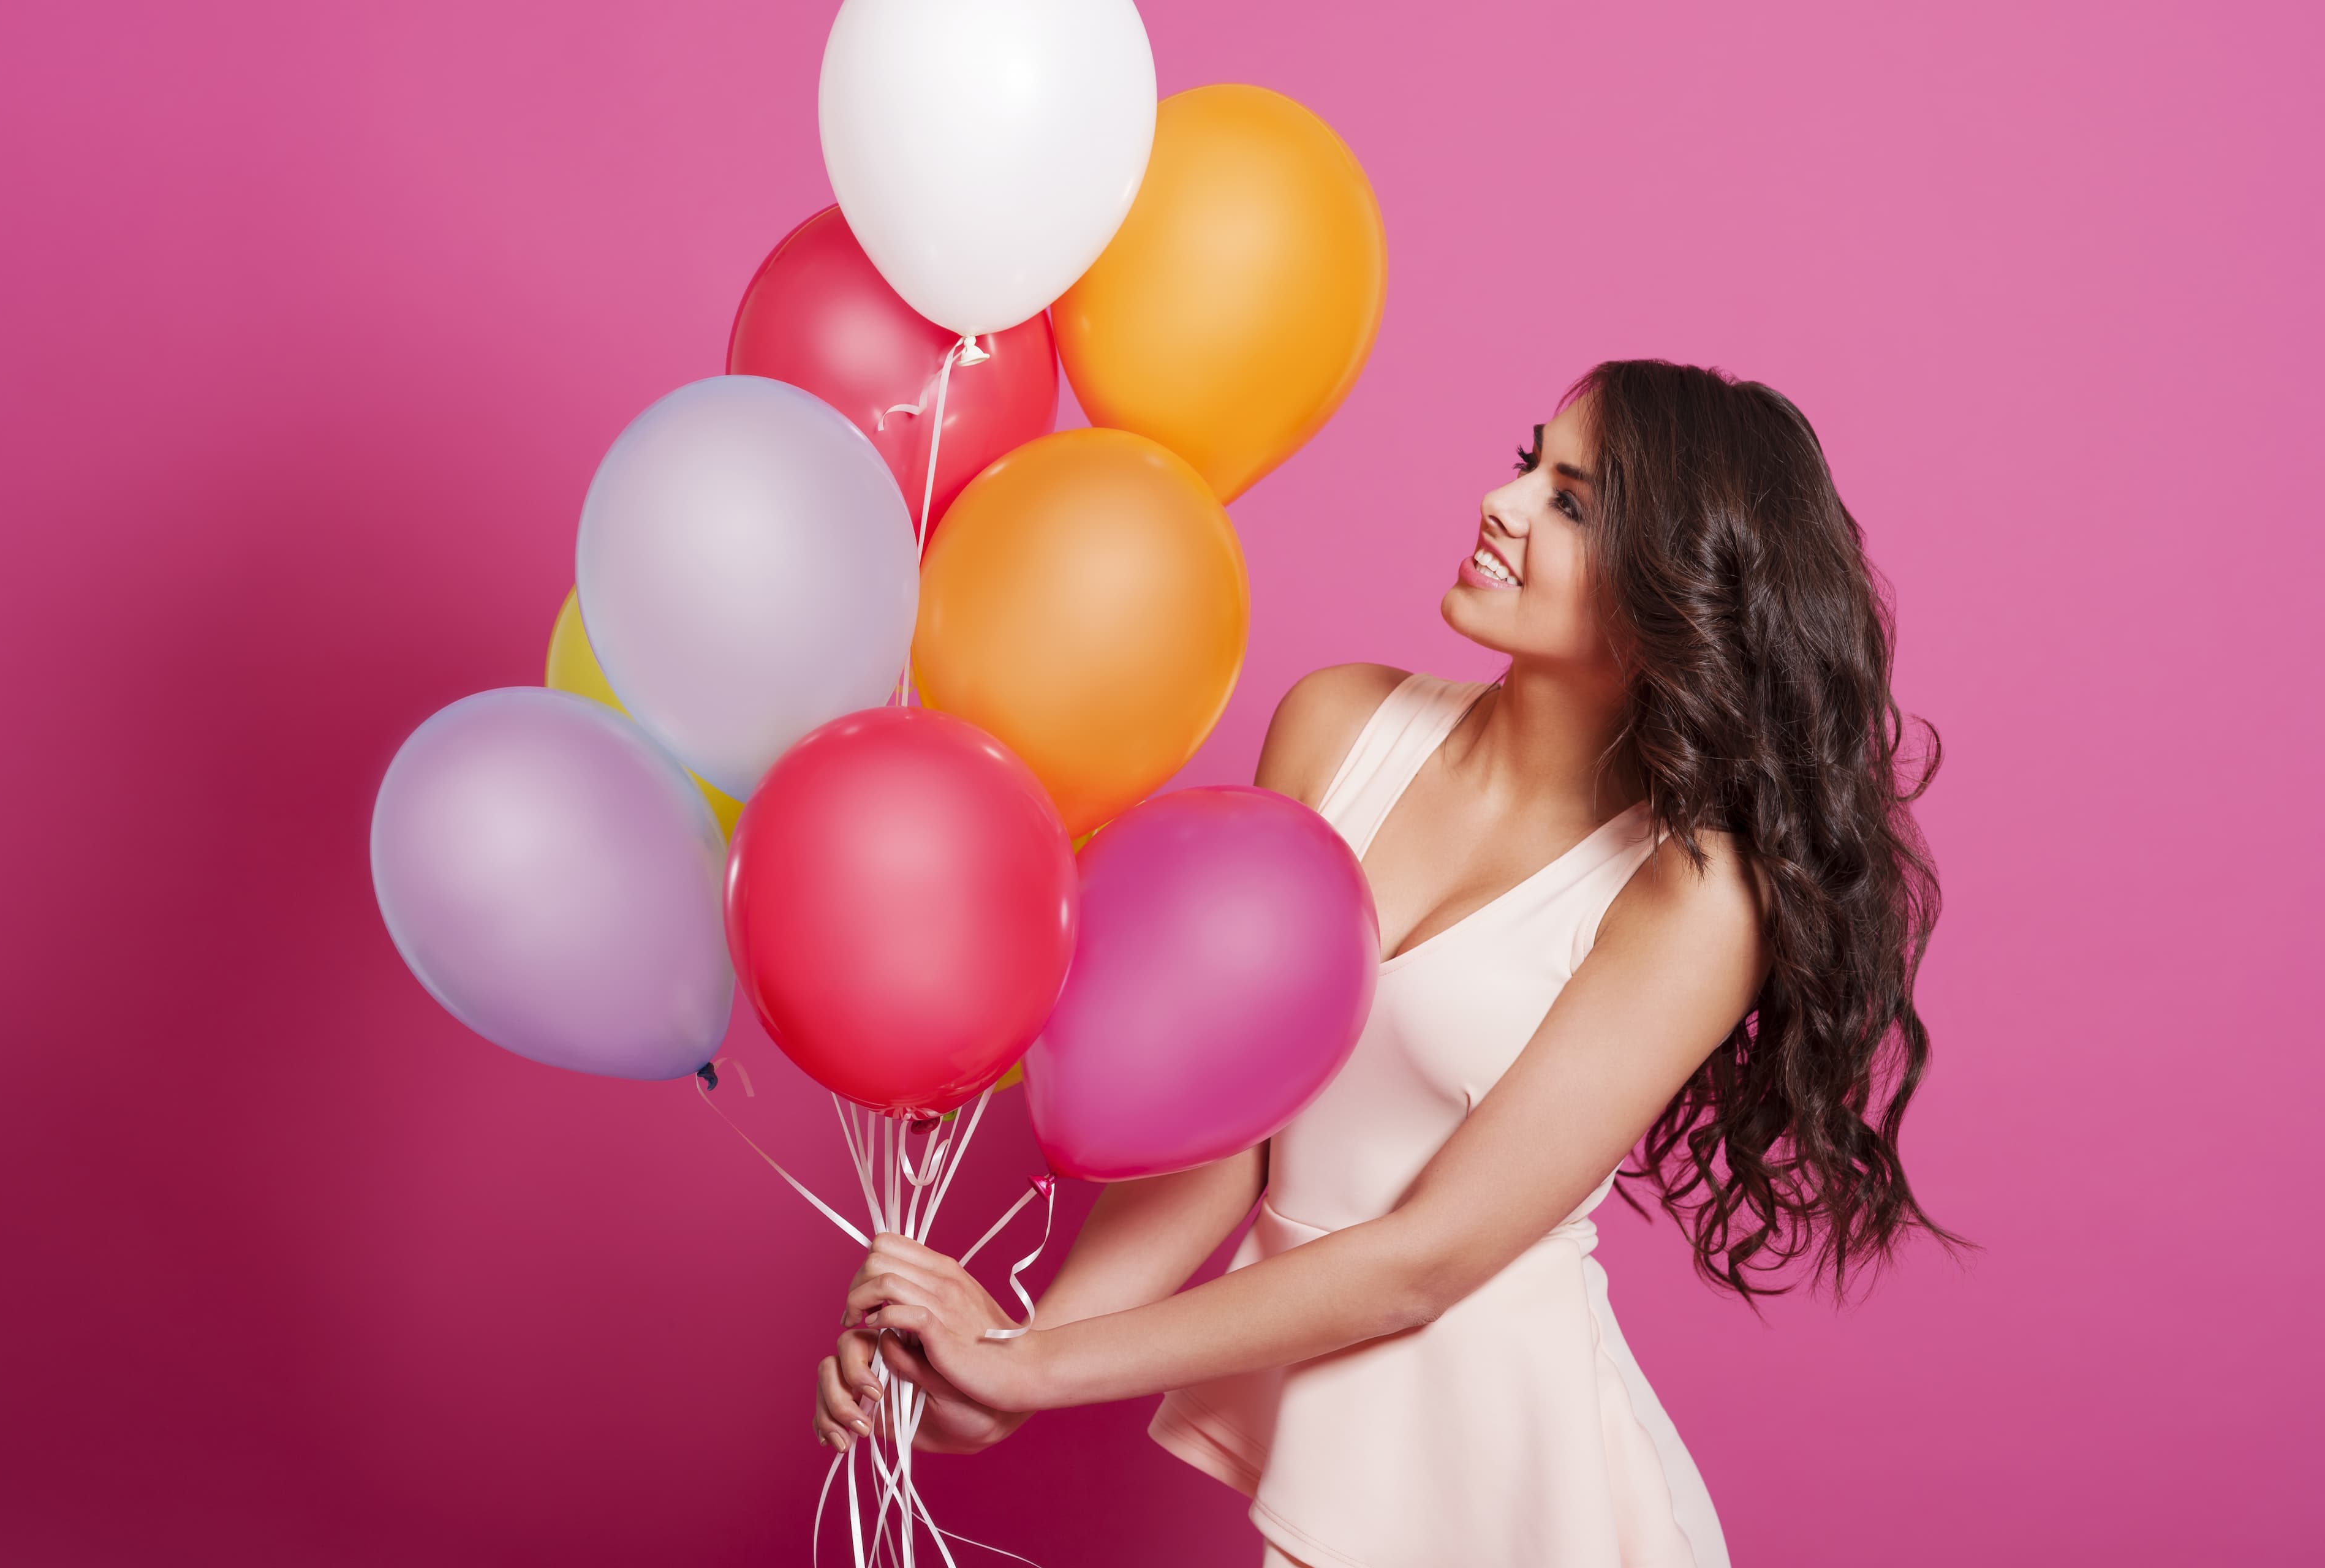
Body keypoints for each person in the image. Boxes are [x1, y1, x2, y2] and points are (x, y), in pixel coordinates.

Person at [812, 360, 1955, 1567]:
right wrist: (1000, 1358)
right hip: (1347, 1461)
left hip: (1521, 1487)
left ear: (1675, 590)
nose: (1501, 502)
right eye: (1530, 462)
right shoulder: (1340, 724)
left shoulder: (1694, 895)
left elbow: (1426, 1258)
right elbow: (1234, 1136)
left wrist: (1039, 1364)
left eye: (1570, 502)